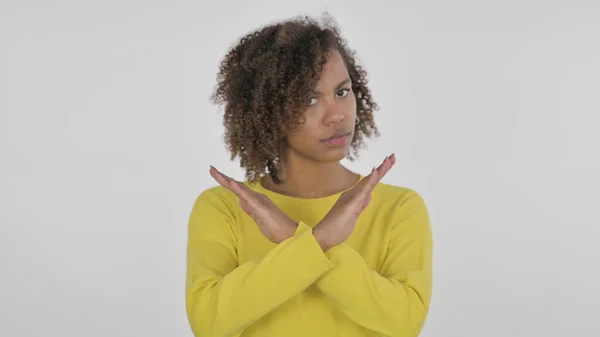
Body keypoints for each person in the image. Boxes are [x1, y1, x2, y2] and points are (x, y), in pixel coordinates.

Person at [185, 13, 433, 337]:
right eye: (309, 99)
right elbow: (209, 323)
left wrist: (293, 238)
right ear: (268, 111)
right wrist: (319, 241)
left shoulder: (398, 208)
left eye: (342, 92)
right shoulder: (226, 208)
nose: (337, 115)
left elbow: (404, 323)